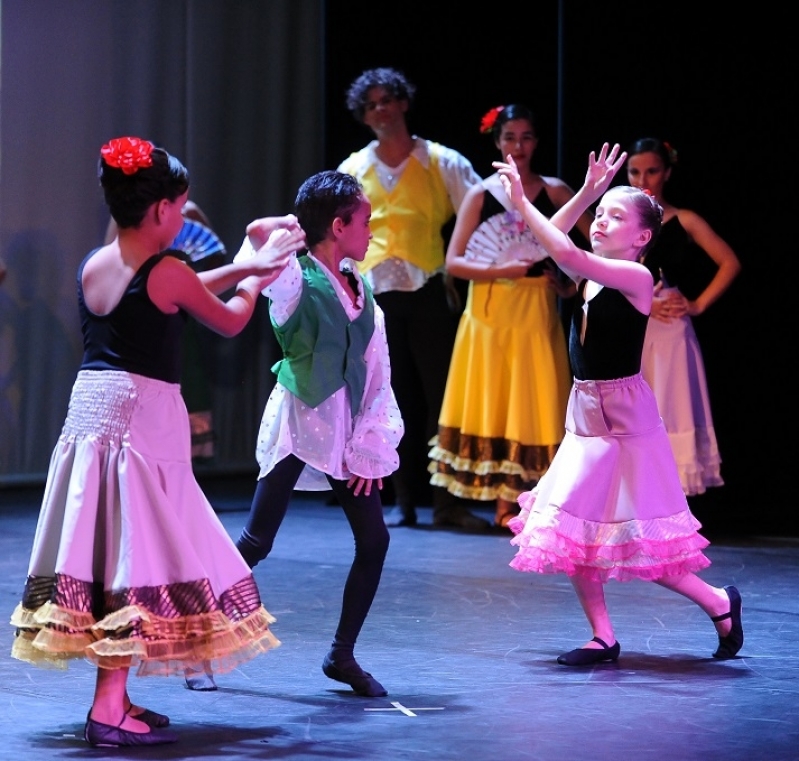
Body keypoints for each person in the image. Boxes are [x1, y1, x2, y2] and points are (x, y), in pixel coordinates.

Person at [9, 136, 305, 747]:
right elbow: (225, 317)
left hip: (92, 415)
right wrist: (258, 276)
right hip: (143, 419)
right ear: (163, 211)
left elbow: (180, 286)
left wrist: (248, 264)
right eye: (180, 206)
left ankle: (114, 699)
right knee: (135, 558)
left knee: (106, 553)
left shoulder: (97, 261)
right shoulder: (169, 271)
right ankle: (108, 710)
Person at [493, 144, 743, 666]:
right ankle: (603, 636)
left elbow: (563, 251)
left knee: (646, 544)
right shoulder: (592, 273)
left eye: (614, 215)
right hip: (585, 416)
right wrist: (586, 192)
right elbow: (557, 244)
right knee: (575, 530)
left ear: (643, 238)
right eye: (600, 215)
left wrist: (521, 200)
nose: (601, 221)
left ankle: (719, 602)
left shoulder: (634, 278)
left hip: (626, 424)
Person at [232, 170, 404, 697]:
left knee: (374, 539)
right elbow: (256, 243)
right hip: (298, 423)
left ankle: (341, 655)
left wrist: (368, 445)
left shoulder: (361, 286)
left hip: (346, 432)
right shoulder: (293, 280)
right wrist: (287, 223)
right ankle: (195, 638)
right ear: (338, 225)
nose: (371, 231)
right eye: (365, 221)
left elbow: (377, 371)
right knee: (256, 543)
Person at [429, 104, 594, 530]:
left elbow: (593, 247)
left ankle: (528, 499)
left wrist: (570, 284)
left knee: (532, 401)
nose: (518, 147)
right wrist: (501, 269)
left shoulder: (555, 191)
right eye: (509, 138)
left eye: (525, 137)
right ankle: (502, 502)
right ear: (497, 143)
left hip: (534, 312)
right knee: (495, 403)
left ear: (536, 142)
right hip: (488, 314)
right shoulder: (481, 194)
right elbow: (456, 261)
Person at [337, 66, 488, 531]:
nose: (379, 110)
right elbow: (336, 229)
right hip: (375, 297)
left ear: (403, 103)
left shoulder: (440, 160)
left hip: (428, 291)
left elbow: (481, 207)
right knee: (387, 398)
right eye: (370, 105)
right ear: (363, 116)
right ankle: (398, 500)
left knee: (441, 397)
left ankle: (446, 502)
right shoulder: (355, 168)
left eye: (386, 100)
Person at [626, 137, 741, 496]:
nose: (643, 178)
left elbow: (729, 262)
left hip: (671, 330)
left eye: (652, 171)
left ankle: (671, 513)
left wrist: (697, 304)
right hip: (632, 326)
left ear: (668, 173)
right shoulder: (617, 218)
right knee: (631, 412)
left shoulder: (683, 219)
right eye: (635, 171)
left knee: (670, 409)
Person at [105, 199, 227, 464]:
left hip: (180, 311)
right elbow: (111, 254)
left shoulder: (190, 211)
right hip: (144, 310)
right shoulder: (128, 213)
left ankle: (183, 469)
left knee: (187, 375)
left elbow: (212, 252)